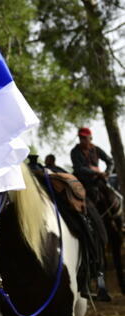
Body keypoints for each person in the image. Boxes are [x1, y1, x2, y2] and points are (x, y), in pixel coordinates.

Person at [69, 127, 113, 301]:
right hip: (83, 185)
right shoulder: (75, 151)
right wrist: (94, 170)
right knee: (83, 206)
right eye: (81, 138)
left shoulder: (96, 149)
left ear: (90, 138)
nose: (83, 141)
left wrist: (107, 172)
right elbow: (79, 169)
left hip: (97, 183)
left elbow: (109, 160)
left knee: (114, 199)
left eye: (85, 138)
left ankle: (118, 220)